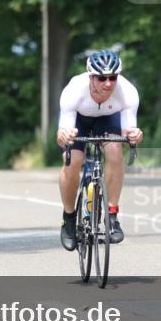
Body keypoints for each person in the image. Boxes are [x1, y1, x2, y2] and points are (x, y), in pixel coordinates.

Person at [57, 49, 143, 251]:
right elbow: (62, 134)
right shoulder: (74, 90)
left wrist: (135, 136)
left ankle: (112, 216)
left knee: (115, 152)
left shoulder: (128, 92)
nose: (108, 83)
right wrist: (63, 136)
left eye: (113, 77)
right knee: (72, 161)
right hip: (79, 119)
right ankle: (69, 219)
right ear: (90, 77)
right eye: (101, 78)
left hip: (107, 120)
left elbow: (129, 133)